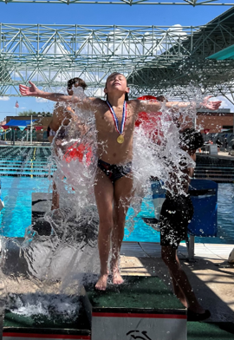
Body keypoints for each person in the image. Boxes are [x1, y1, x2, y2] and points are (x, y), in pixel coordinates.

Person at [19, 73, 221, 290]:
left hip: (126, 170)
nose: (116, 79)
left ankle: (115, 266)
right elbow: (66, 99)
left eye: (120, 78)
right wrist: (39, 93)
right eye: (111, 79)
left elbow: (168, 105)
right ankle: (103, 272)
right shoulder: (97, 105)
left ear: (126, 88)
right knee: (106, 222)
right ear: (105, 89)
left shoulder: (135, 106)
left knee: (120, 221)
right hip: (102, 169)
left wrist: (200, 103)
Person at [160, 128, 211, 321]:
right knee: (169, 256)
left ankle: (195, 305)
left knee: (168, 257)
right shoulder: (190, 155)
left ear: (185, 143)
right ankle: (180, 299)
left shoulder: (182, 158)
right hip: (178, 205)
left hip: (176, 206)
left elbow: (162, 155)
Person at [49, 77, 88, 210]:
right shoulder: (63, 104)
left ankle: (79, 205)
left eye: (80, 89)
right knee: (60, 171)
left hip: (74, 137)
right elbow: (79, 126)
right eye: (75, 88)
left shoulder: (85, 104)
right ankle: (55, 207)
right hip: (59, 136)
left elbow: (84, 129)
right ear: (68, 90)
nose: (78, 92)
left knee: (81, 170)